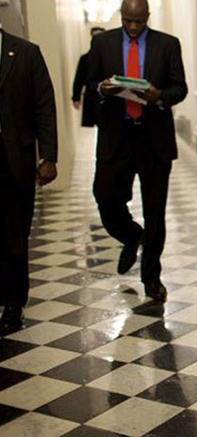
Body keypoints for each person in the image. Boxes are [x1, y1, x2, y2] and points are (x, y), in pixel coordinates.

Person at [86, 0, 187, 301]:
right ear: (120, 16)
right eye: (128, 20)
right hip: (116, 137)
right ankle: (132, 236)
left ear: (148, 17)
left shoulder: (167, 44)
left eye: (139, 21)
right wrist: (103, 89)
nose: (133, 26)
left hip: (153, 138)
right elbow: (89, 85)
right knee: (104, 196)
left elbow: (179, 87)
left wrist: (159, 96)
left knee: (156, 212)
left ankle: (151, 278)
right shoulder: (102, 44)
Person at [0, 27, 58, 335]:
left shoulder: (25, 52)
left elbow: (44, 106)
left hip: (14, 160)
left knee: (14, 236)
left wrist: (48, 156)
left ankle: (13, 302)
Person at [72, 26, 106, 127]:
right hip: (91, 97)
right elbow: (79, 79)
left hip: (107, 98)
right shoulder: (85, 59)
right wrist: (76, 97)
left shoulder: (111, 58)